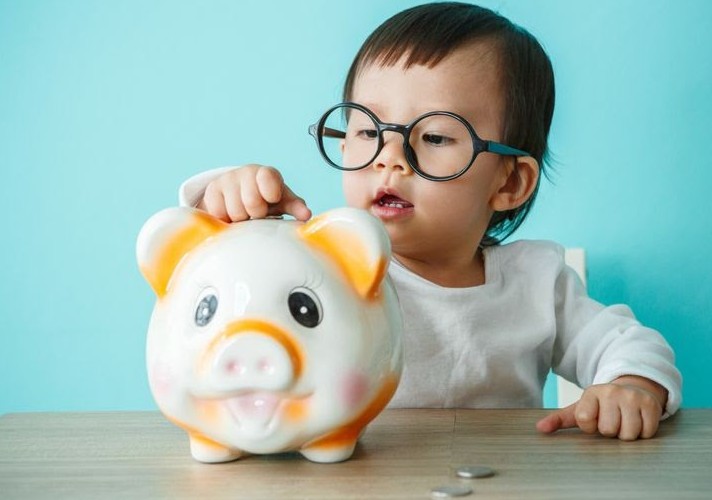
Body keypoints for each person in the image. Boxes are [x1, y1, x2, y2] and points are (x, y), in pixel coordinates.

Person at [179, 2, 682, 441]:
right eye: (367, 129)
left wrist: (631, 387)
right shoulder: (325, 264)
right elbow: (230, 274)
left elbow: (630, 344)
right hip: (356, 480)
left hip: (499, 480)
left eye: (436, 137)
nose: (390, 157)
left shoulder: (538, 282)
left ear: (508, 184)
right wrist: (232, 200)